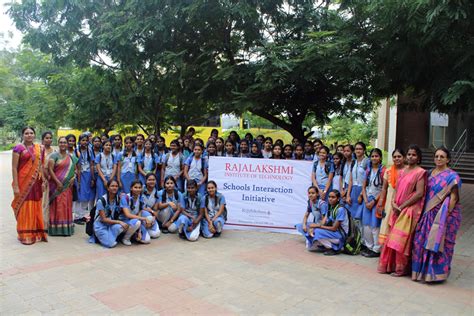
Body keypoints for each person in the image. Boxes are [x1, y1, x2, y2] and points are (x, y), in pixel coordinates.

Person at [412, 148, 462, 283]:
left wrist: (444, 218)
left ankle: (436, 274)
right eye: (436, 156)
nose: (438, 159)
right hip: (427, 213)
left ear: (448, 160)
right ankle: (421, 272)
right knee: (420, 242)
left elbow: (453, 199)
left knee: (441, 244)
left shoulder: (453, 177)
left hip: (444, 216)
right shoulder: (429, 174)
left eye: (442, 157)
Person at [378, 145, 426, 277]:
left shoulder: (420, 172)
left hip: (409, 210)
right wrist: (393, 202)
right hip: (397, 208)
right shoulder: (403, 171)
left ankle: (401, 269)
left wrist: (403, 206)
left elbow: (419, 193)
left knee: (401, 240)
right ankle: (390, 266)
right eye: (409, 154)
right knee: (392, 238)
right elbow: (396, 189)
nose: (411, 157)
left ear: (418, 158)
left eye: (414, 155)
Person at [11, 127, 48, 245]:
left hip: (36, 183)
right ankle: (25, 234)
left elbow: (41, 166)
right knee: (24, 206)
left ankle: (35, 232)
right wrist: (16, 185)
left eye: (31, 133)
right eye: (26, 133)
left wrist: (43, 181)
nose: (29, 135)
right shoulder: (18, 148)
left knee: (35, 205)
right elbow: (14, 168)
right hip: (23, 183)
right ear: (22, 135)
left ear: (34, 135)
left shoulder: (40, 148)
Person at [47, 137, 77, 236]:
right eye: (61, 142)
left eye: (65, 142)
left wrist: (74, 177)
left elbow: (76, 169)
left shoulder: (71, 156)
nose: (63, 144)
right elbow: (50, 170)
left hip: (67, 186)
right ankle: (55, 229)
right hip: (56, 186)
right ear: (58, 143)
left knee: (66, 205)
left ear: (67, 144)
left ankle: (66, 228)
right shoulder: (54, 155)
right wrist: (58, 182)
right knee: (57, 206)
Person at [93, 179, 135, 248]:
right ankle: (102, 236)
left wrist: (125, 196)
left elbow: (129, 199)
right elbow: (103, 219)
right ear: (108, 188)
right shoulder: (101, 200)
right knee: (110, 244)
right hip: (101, 225)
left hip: (111, 224)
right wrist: (119, 222)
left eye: (116, 186)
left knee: (123, 226)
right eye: (112, 186)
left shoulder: (118, 198)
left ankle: (109, 236)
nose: (114, 188)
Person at [305, 190, 349, 256]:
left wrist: (317, 226)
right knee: (311, 228)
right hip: (335, 233)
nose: (330, 199)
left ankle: (335, 248)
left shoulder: (340, 209)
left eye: (333, 197)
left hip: (341, 235)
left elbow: (334, 228)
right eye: (329, 197)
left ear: (338, 199)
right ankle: (324, 245)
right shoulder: (331, 207)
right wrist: (313, 227)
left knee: (317, 232)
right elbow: (324, 222)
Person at [361, 148, 385, 258]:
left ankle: (376, 248)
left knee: (375, 225)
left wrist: (374, 201)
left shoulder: (383, 171)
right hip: (368, 199)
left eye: (376, 156)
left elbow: (384, 188)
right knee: (366, 224)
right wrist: (366, 201)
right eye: (372, 156)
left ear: (380, 158)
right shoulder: (368, 170)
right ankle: (369, 246)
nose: (374, 158)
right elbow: (364, 186)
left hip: (377, 200)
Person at [378, 148, 405, 245]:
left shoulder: (407, 171)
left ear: (404, 158)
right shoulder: (388, 171)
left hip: (402, 202)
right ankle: (386, 251)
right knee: (386, 225)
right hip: (389, 202)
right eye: (394, 157)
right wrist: (381, 203)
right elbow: (384, 188)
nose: (397, 159)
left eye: (399, 156)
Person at [119, 181, 159, 245]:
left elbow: (139, 213)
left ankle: (135, 234)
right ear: (131, 188)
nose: (138, 189)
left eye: (139, 187)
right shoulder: (125, 197)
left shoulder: (140, 198)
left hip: (135, 221)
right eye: (135, 187)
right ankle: (126, 238)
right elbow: (127, 215)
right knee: (137, 222)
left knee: (147, 240)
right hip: (125, 221)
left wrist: (139, 231)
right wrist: (143, 218)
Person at [346, 142, 369, 226]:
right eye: (356, 149)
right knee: (352, 216)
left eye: (360, 149)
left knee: (361, 216)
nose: (358, 151)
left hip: (362, 191)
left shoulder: (367, 162)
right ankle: (354, 237)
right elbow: (351, 180)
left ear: (364, 150)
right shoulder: (353, 162)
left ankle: (362, 238)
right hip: (353, 191)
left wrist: (361, 194)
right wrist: (348, 195)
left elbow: (368, 180)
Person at [74, 133, 95, 224]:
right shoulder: (76, 151)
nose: (85, 142)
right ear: (79, 141)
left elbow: (91, 165)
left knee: (87, 195)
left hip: (88, 175)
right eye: (83, 140)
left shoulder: (90, 150)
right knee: (79, 195)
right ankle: (77, 216)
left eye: (86, 140)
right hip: (79, 174)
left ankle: (82, 215)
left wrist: (92, 178)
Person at [41, 131, 55, 229]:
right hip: (40, 180)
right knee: (41, 202)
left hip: (51, 180)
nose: (48, 140)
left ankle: (47, 225)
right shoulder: (39, 150)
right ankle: (40, 224)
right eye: (46, 138)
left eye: (50, 138)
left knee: (49, 202)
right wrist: (43, 179)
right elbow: (39, 166)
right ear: (42, 139)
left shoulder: (54, 152)